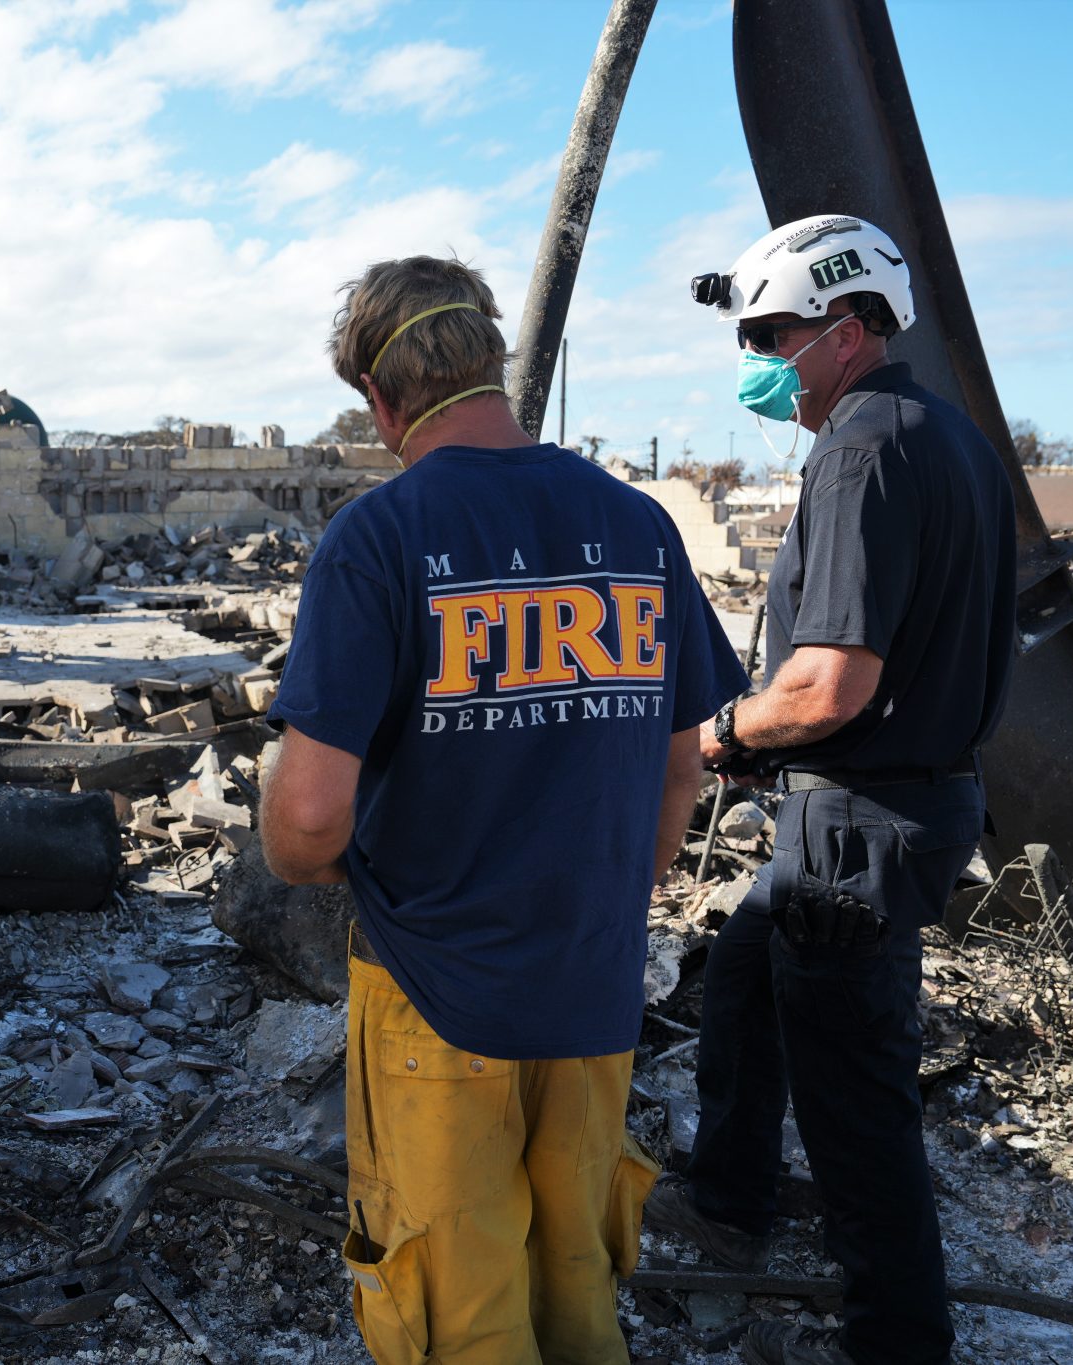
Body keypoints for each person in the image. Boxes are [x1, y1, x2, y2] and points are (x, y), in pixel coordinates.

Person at [259, 254, 748, 1365]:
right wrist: (622, 888)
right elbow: (683, 763)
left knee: (456, 1305)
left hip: (436, 992)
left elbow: (303, 829)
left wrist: (336, 868)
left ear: (379, 398)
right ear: (494, 364)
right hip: (590, 985)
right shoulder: (637, 526)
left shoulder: (377, 538)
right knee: (576, 1280)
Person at [648, 215, 1018, 1365]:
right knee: (744, 987)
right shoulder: (939, 436)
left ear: (849, 329)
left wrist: (720, 732)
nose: (755, 358)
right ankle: (728, 1199)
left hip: (858, 824)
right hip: (883, 805)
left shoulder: (858, 450)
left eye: (771, 333)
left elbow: (824, 684)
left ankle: (894, 1339)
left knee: (853, 1092)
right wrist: (778, 744)